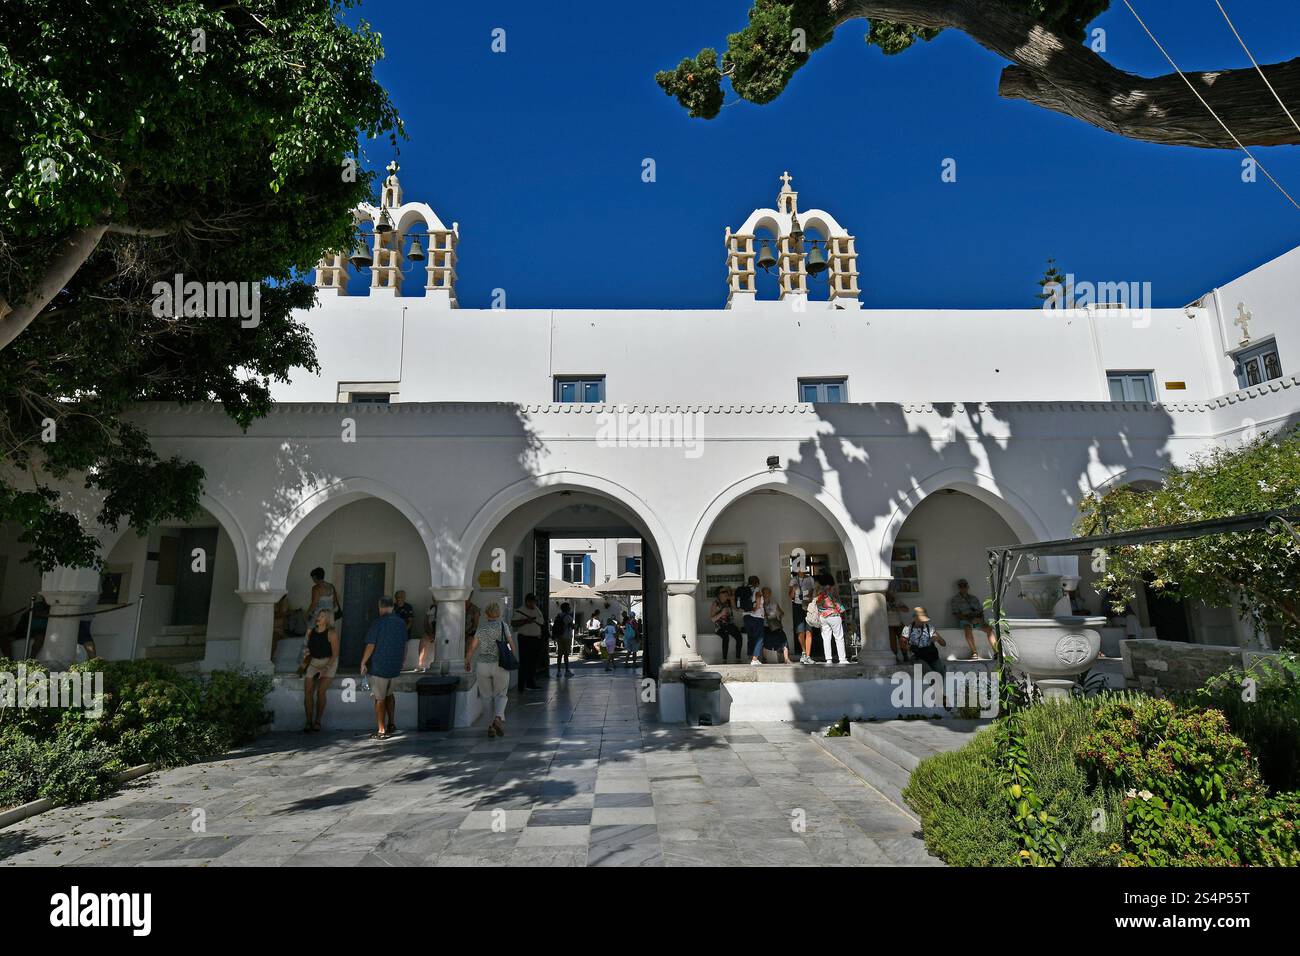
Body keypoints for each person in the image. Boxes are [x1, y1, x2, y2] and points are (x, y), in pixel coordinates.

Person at [358, 596, 407, 740]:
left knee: (379, 698)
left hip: (380, 666)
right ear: (392, 607)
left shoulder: (378, 623)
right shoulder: (401, 622)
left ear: (380, 607)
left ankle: (381, 729)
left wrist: (363, 662)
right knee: (390, 694)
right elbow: (405, 643)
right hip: (395, 666)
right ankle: (392, 723)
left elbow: (371, 644)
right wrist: (402, 660)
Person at [466, 602, 518, 737]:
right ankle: (497, 718)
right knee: (501, 694)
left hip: (482, 665)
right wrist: (511, 656)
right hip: (500, 664)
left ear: (487, 614)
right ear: (499, 614)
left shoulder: (481, 628)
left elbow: (472, 647)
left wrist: (467, 660)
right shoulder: (503, 626)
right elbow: (512, 645)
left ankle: (490, 726)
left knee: (486, 696)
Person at [301, 609, 339, 732]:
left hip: (329, 662)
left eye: (322, 616)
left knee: (321, 691)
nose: (318, 617)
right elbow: (307, 648)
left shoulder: (331, 633)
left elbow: (335, 654)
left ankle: (318, 721)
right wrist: (305, 657)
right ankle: (308, 721)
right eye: (318, 615)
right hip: (314, 662)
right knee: (308, 691)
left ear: (327, 620)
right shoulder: (310, 632)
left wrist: (326, 668)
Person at [950, 579, 996, 659]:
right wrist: (969, 620)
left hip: (977, 619)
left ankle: (996, 652)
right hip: (965, 620)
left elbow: (981, 611)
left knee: (989, 629)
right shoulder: (955, 600)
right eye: (961, 586)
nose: (963, 588)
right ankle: (974, 652)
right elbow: (956, 614)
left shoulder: (974, 598)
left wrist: (980, 619)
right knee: (967, 629)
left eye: (964, 586)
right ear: (959, 588)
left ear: (968, 587)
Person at [510, 593, 545, 691]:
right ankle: (521, 685)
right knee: (524, 662)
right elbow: (513, 623)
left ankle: (531, 683)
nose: (533, 604)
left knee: (533, 662)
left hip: (536, 639)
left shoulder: (537, 609)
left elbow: (541, 622)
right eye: (532, 602)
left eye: (535, 602)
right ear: (527, 602)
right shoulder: (520, 611)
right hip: (525, 639)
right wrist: (526, 621)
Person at [814, 573, 848, 665]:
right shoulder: (832, 589)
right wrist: (842, 611)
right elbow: (837, 601)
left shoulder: (818, 590)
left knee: (826, 638)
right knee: (839, 637)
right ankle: (842, 659)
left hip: (823, 616)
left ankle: (828, 659)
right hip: (834, 615)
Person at [904, 606, 946, 674]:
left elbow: (944, 644)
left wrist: (938, 638)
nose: (923, 621)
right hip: (917, 657)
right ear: (915, 618)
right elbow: (903, 645)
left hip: (931, 656)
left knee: (941, 671)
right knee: (929, 673)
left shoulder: (930, 628)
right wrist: (910, 647)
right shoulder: (908, 629)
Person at [789, 566, 817, 665]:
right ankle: (804, 652)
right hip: (798, 606)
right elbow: (790, 596)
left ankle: (808, 656)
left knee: (809, 630)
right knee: (800, 631)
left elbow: (814, 591)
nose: (802, 569)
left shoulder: (810, 579)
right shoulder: (793, 580)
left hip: (808, 605)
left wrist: (811, 597)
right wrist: (794, 589)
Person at [709, 587, 743, 663]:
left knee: (739, 636)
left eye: (726, 591)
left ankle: (738, 658)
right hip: (719, 627)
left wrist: (732, 597)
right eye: (723, 592)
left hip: (729, 625)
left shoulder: (728, 602)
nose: (726, 593)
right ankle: (724, 659)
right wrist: (721, 614)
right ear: (719, 595)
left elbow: (735, 608)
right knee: (726, 637)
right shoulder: (715, 604)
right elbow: (712, 619)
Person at [761, 587, 794, 664]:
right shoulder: (760, 604)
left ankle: (786, 659)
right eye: (765, 593)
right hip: (766, 626)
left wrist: (779, 617)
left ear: (770, 594)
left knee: (784, 641)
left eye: (768, 593)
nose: (767, 595)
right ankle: (764, 659)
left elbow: (781, 613)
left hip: (775, 626)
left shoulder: (774, 603)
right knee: (765, 643)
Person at [738, 575, 766, 666]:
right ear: (757, 582)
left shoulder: (745, 590)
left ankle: (750, 657)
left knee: (750, 637)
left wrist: (748, 610)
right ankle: (755, 659)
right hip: (757, 616)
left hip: (746, 617)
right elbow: (757, 602)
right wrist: (755, 609)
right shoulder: (757, 590)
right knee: (759, 637)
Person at [886, 589, 911, 664]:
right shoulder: (882, 602)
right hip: (889, 625)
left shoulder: (897, 601)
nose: (891, 595)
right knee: (892, 643)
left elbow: (907, 609)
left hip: (898, 624)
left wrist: (898, 608)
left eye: (892, 593)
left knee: (904, 640)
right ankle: (895, 658)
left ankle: (905, 656)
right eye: (889, 594)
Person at [553, 601, 575, 677]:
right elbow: (572, 626)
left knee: (559, 654)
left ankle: (558, 671)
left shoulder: (558, 615)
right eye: (569, 607)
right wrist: (575, 625)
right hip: (566, 637)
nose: (570, 608)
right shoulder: (568, 617)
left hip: (559, 637)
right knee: (566, 655)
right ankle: (567, 671)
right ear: (566, 608)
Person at [418, 595, 439, 671]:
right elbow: (425, 622)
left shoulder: (445, 608)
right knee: (424, 640)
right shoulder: (431, 608)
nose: (434, 600)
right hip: (431, 631)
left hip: (441, 633)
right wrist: (430, 633)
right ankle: (420, 664)